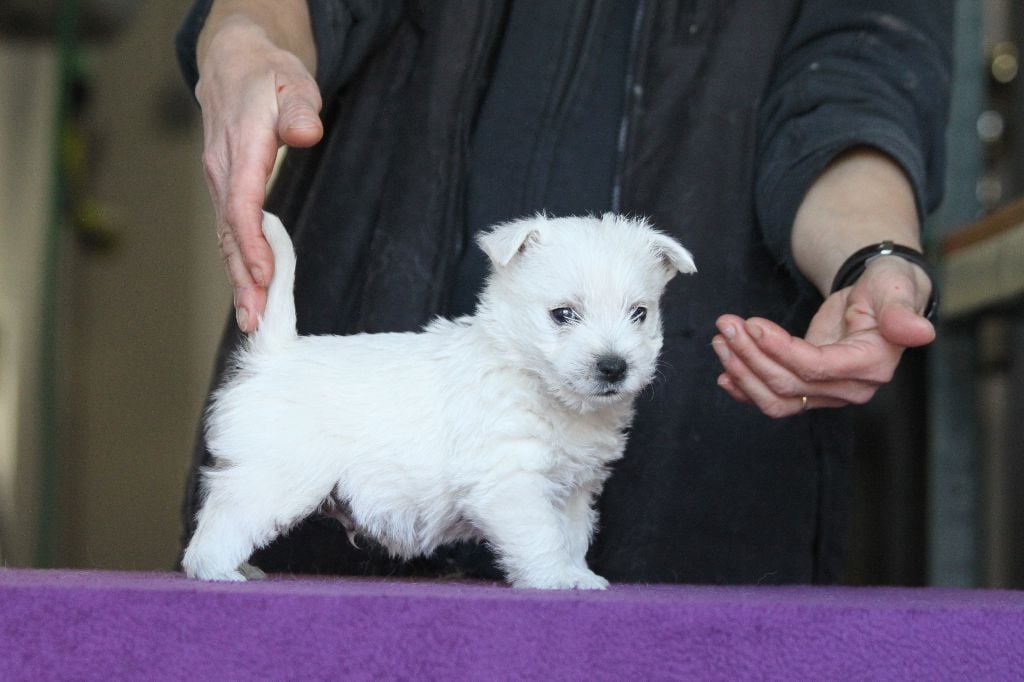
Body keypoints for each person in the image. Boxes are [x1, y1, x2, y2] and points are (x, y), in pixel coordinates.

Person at [176, 0, 951, 584]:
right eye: (566, 317)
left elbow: (862, 66)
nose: (611, 352)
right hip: (362, 279)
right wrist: (246, 36)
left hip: (704, 476)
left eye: (637, 315)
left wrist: (872, 254)